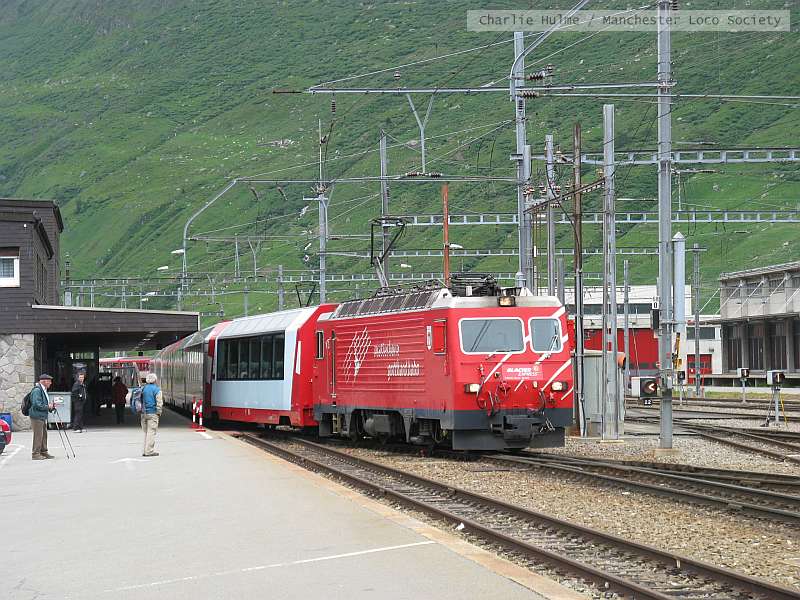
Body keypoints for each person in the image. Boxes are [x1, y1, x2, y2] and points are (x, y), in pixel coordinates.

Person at [30, 374, 55, 460]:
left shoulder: (43, 390)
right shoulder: (37, 390)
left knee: (44, 435)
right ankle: (35, 454)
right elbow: (37, 404)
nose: (51, 383)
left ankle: (44, 452)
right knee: (38, 436)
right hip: (37, 416)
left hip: (42, 416)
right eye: (49, 381)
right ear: (44, 381)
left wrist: (50, 407)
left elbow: (43, 403)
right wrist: (48, 407)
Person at [140, 373, 163, 457]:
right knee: (151, 432)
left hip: (143, 413)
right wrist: (159, 412)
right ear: (155, 380)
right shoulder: (157, 390)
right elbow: (159, 403)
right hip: (152, 413)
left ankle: (145, 450)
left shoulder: (143, 389)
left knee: (146, 433)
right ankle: (149, 451)